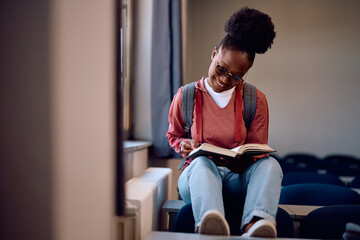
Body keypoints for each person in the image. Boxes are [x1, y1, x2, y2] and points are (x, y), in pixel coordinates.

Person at [167, 7, 283, 238]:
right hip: (198, 179)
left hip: (236, 180)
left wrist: (243, 156)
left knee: (271, 165)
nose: (224, 79)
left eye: (236, 77)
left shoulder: (255, 99)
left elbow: (257, 149)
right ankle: (211, 226)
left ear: (245, 73)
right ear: (213, 54)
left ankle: (255, 226)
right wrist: (184, 145)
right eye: (221, 69)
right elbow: (174, 135)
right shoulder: (187, 95)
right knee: (203, 164)